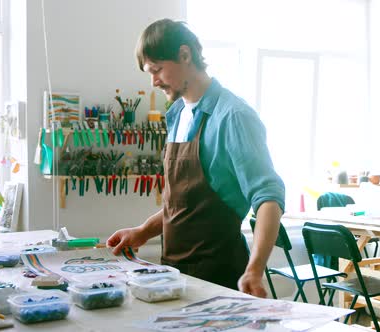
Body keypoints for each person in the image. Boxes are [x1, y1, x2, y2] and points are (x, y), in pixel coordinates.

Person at [107, 19, 285, 298]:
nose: (153, 81)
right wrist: (143, 231)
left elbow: (268, 198)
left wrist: (255, 268)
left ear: (185, 55)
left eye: (157, 70)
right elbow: (184, 202)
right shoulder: (177, 113)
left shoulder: (233, 116)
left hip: (220, 278)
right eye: (148, 72)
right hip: (176, 275)